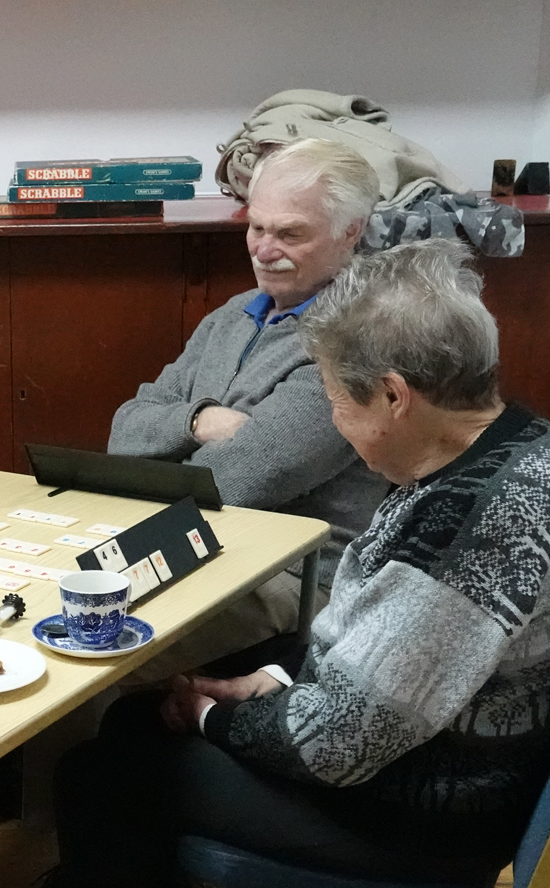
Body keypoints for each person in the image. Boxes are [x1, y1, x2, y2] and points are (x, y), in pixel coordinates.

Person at [0, 239, 550, 888]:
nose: (334, 421)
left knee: (104, 771)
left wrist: (215, 715)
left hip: (428, 811)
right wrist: (256, 684)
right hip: (466, 750)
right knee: (148, 725)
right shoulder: (544, 450)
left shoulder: (465, 535)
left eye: (337, 399)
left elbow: (330, 745)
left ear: (395, 395)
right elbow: (372, 670)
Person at [107, 139, 389, 668]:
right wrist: (197, 420)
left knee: (101, 645)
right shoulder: (234, 314)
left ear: (351, 232)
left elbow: (236, 482)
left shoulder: (358, 339)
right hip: (193, 539)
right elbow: (123, 433)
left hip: (292, 575)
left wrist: (163, 447)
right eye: (257, 227)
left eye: (289, 233)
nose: (263, 249)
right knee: (43, 606)